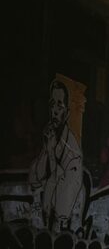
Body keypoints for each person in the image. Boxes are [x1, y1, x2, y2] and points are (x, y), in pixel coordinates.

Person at [29, 79, 84, 232]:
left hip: (60, 232)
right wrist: (47, 150)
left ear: (67, 113)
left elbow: (61, 206)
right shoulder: (51, 140)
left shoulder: (73, 154)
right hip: (44, 226)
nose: (54, 110)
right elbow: (35, 176)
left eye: (59, 105)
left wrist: (51, 155)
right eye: (52, 104)